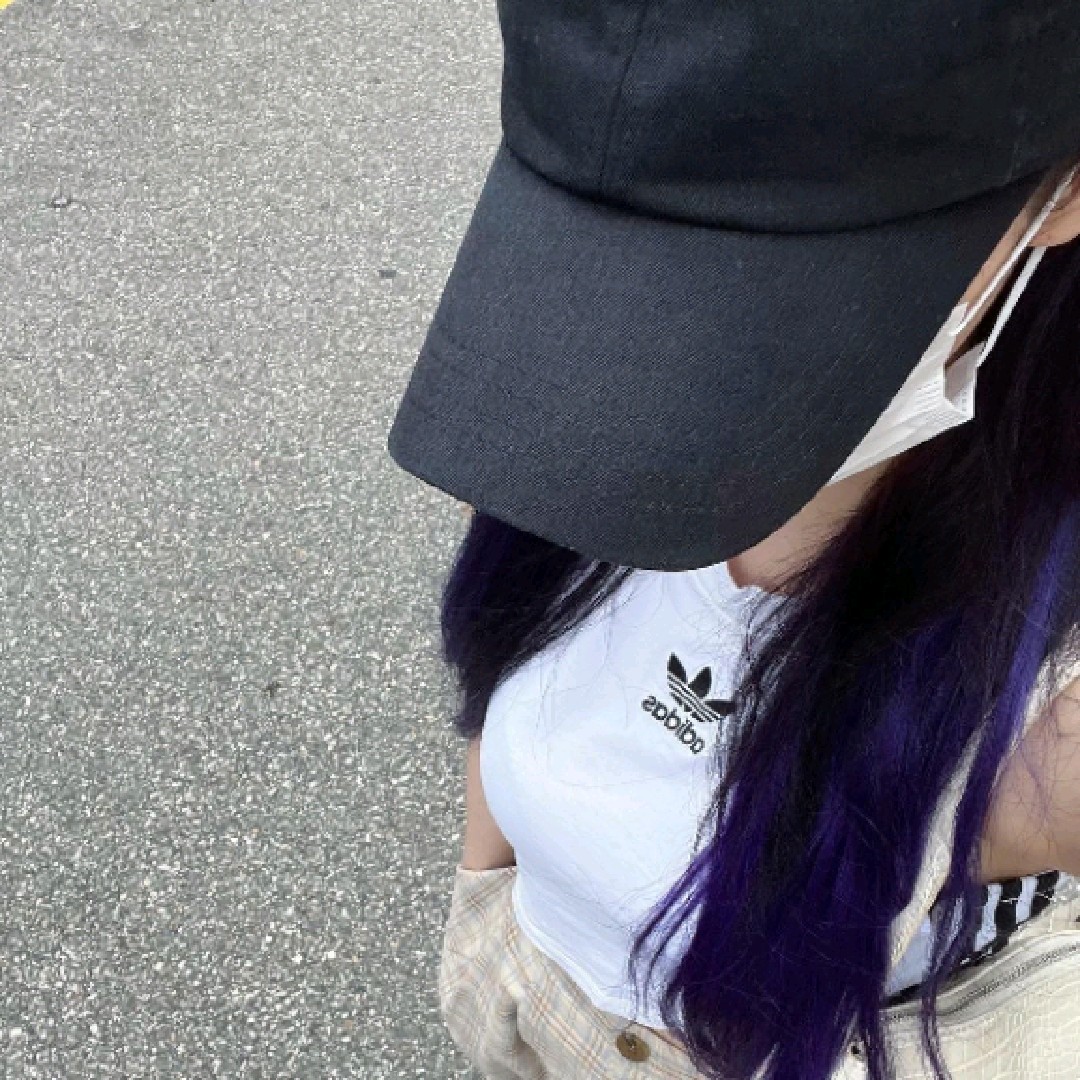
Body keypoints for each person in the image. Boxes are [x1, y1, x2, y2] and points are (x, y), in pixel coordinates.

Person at [386, 4, 1080, 1077]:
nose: (657, 371)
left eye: (784, 276)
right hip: (525, 990)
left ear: (1064, 190)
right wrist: (489, 901)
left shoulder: (1048, 662)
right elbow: (502, 634)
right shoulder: (557, 366)